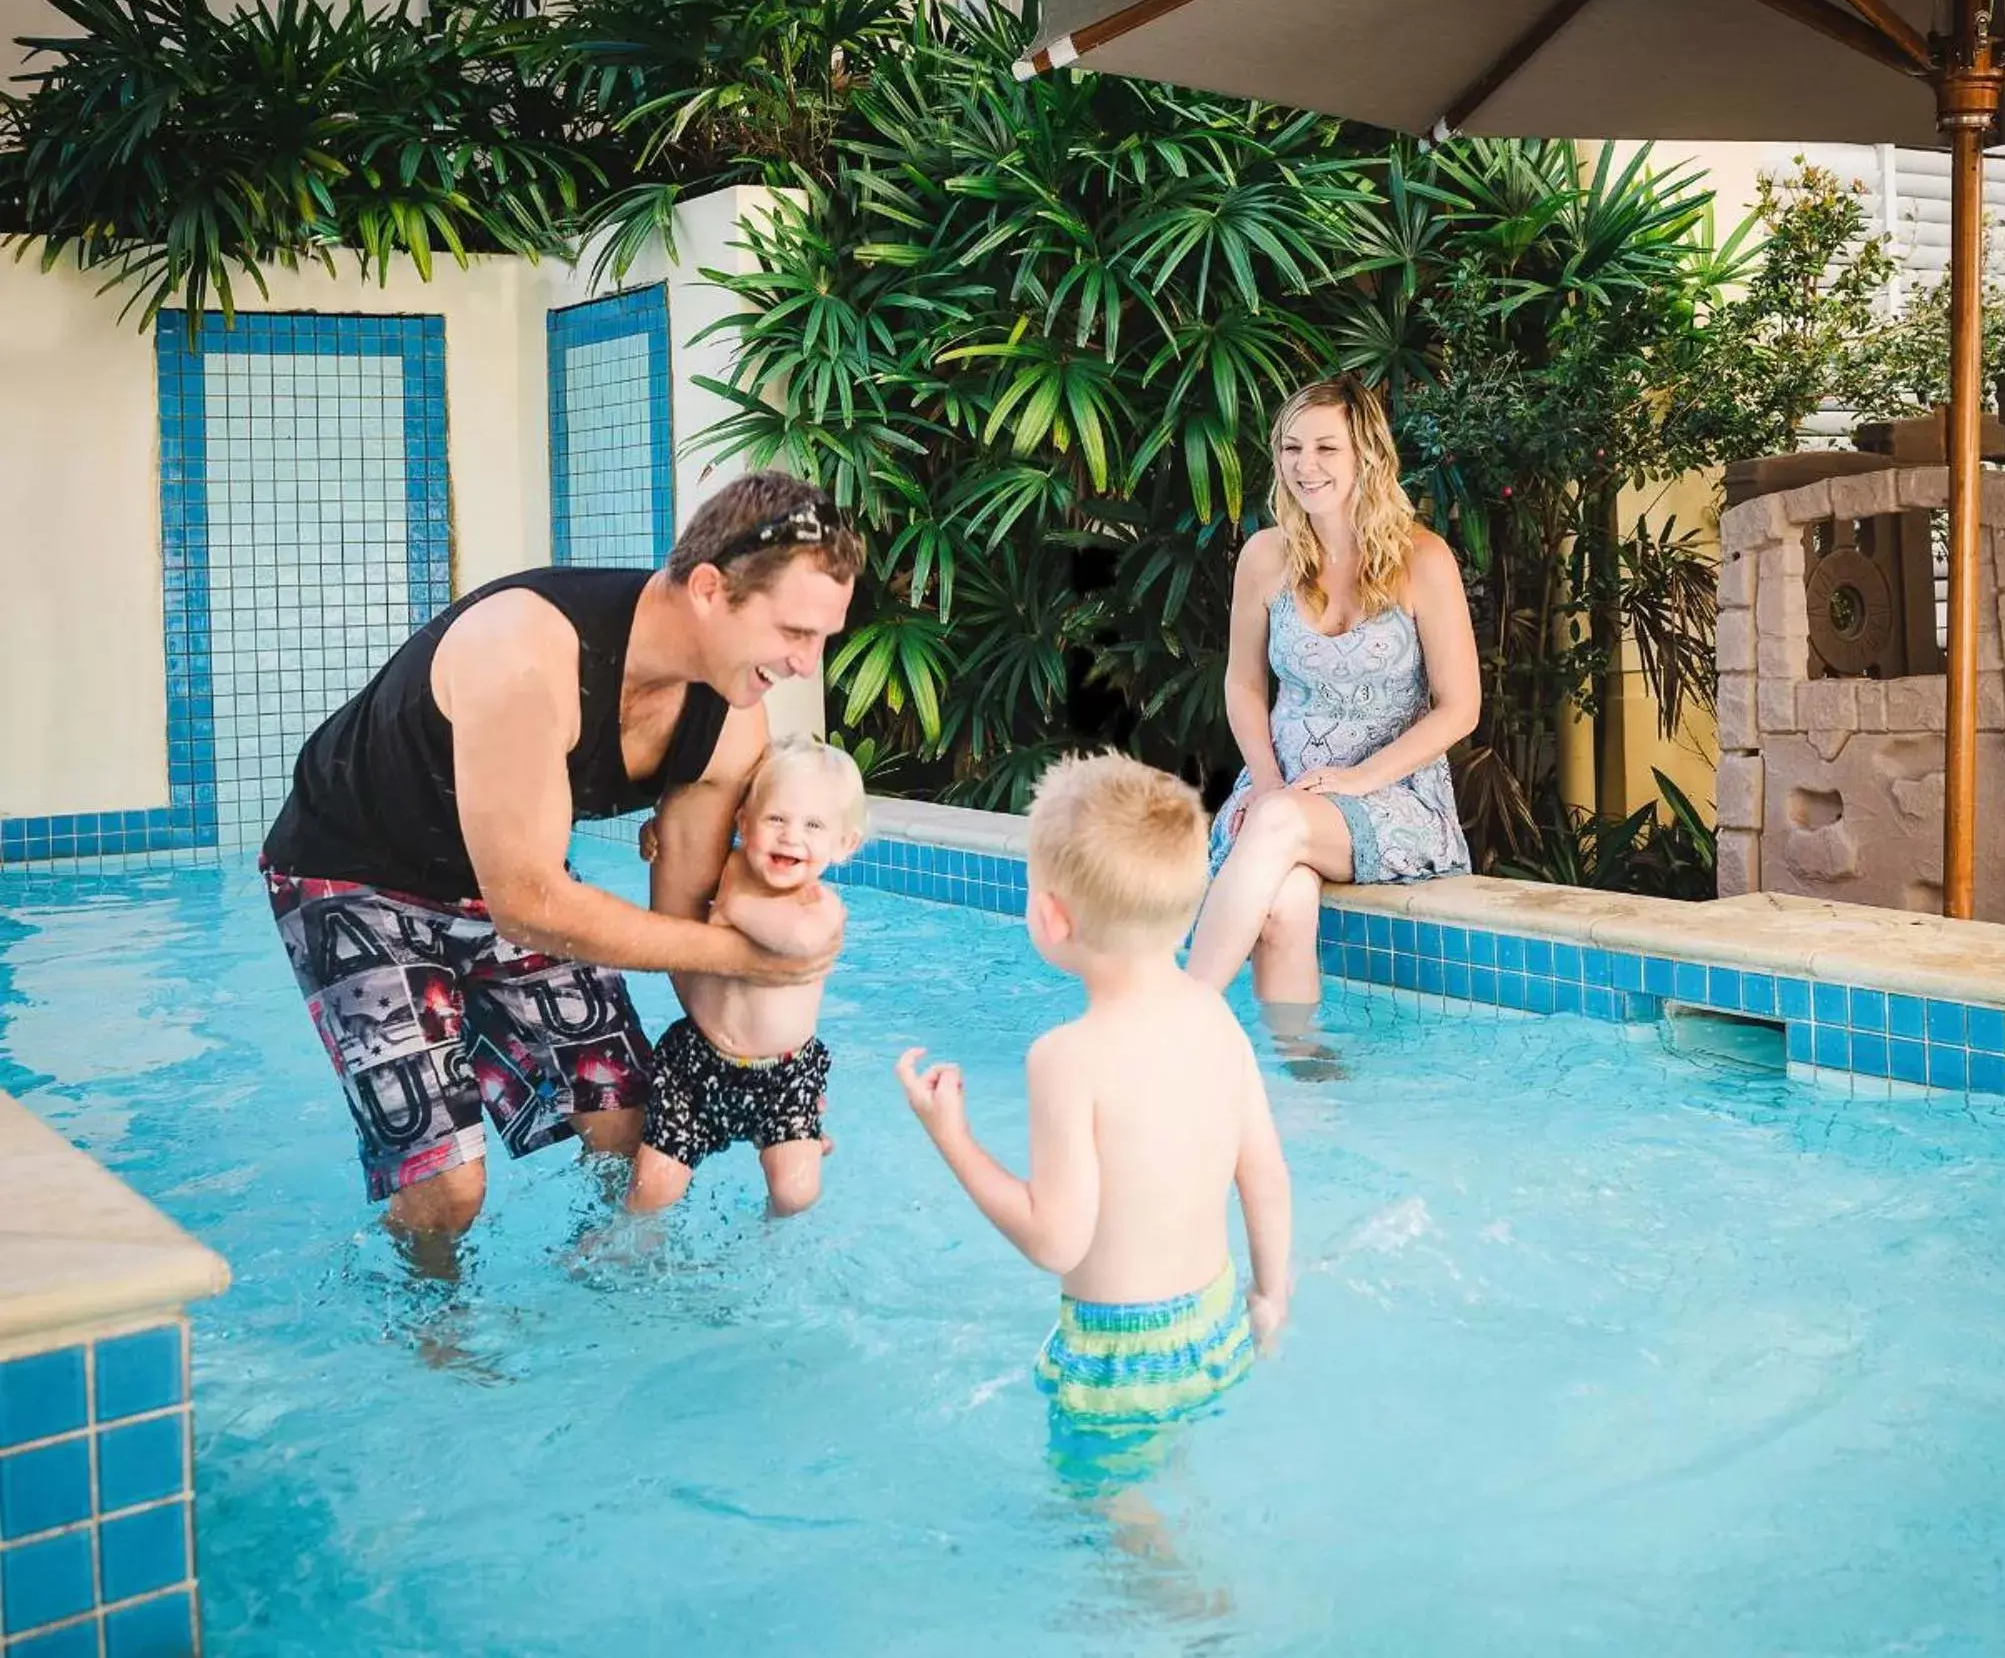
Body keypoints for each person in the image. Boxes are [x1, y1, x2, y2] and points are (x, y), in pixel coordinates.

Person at [261, 472, 863, 1244]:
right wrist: (753, 959)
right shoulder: (525, 651)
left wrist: (774, 1073)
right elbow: (531, 905)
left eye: (823, 639)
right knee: (450, 1190)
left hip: (507, 875)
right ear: (710, 589)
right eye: (794, 633)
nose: (808, 665)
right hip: (354, 875)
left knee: (628, 1121)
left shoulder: (728, 724)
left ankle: (603, 1279)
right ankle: (434, 1333)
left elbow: (677, 931)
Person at [895, 751, 1293, 1492]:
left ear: (1051, 916)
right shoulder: (1214, 1016)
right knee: (1170, 1480)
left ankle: (1192, 1602)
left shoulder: (1066, 1058)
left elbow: (1056, 1239)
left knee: (1113, 1524)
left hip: (1120, 1357)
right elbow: (1265, 1174)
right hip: (1214, 1325)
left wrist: (951, 1136)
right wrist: (1270, 1298)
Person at [1188, 377, 1479, 1025]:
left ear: (1366, 456)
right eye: (1292, 448)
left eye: (1326, 448)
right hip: (1282, 788)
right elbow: (1242, 683)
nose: (1305, 465)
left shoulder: (1423, 560)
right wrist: (1265, 779)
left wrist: (1357, 779)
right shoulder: (1265, 557)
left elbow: (1461, 708)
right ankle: (1305, 1082)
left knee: (1280, 825)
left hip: (1393, 798)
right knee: (1286, 906)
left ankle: (1181, 1020)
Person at [625, 737, 866, 1218]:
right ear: (743, 823)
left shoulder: (820, 910)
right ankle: (630, 1249)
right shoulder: (731, 866)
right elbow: (685, 854)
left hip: (785, 1073)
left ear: (843, 845)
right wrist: (660, 836)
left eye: (813, 825)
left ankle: (771, 1232)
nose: (790, 836)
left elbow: (796, 940)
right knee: (653, 1190)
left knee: (795, 1193)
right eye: (775, 818)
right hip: (698, 1061)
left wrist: (733, 907)